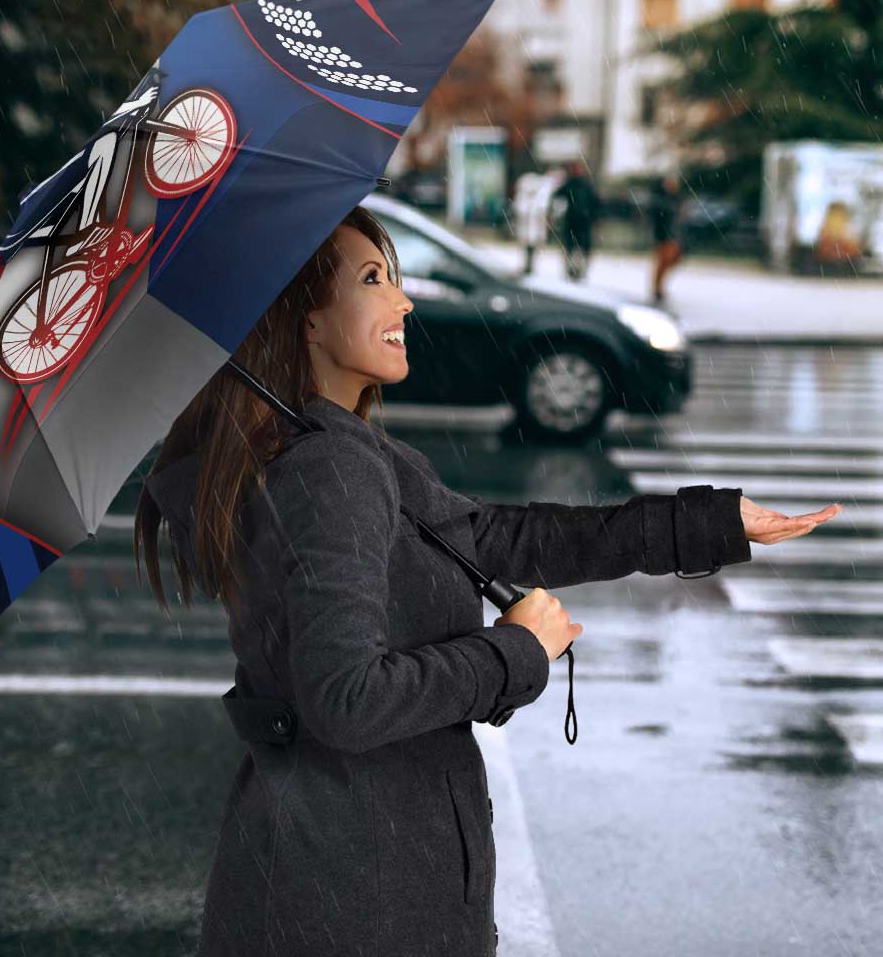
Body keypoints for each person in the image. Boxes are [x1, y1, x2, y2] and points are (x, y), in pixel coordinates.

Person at [135, 205, 839, 957]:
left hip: (333, 874)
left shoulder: (327, 451)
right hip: (359, 897)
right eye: (373, 280)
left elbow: (499, 539)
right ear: (305, 318)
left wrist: (708, 524)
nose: (403, 301)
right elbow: (347, 701)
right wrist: (515, 651)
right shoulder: (330, 469)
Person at [551, 159, 601, 282]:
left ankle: (578, 270)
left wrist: (594, 217)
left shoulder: (583, 185)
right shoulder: (573, 184)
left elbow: (595, 203)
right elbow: (557, 196)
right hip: (575, 221)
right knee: (573, 247)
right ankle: (572, 270)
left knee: (578, 248)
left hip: (581, 222)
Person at [649, 172, 685, 303]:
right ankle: (657, 288)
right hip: (664, 236)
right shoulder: (661, 200)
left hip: (673, 236)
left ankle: (658, 287)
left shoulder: (675, 199)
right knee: (663, 262)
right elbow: (658, 219)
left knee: (671, 260)